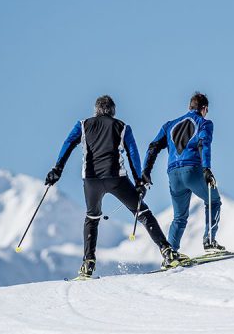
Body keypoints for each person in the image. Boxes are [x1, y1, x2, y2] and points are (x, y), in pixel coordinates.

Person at [45, 95, 181, 277]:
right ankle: (167, 251)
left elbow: (68, 143)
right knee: (142, 213)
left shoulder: (83, 125)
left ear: (96, 110)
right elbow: (133, 153)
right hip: (116, 178)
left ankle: (88, 264)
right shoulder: (122, 127)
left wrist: (57, 169)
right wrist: (139, 181)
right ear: (113, 111)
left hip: (91, 180)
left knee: (92, 219)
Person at [142, 92, 224, 254]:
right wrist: (206, 169)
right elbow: (203, 144)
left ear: (189, 107)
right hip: (192, 170)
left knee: (179, 217)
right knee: (214, 201)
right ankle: (209, 240)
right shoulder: (204, 123)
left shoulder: (169, 125)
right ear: (204, 108)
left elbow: (153, 147)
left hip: (173, 174)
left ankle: (170, 253)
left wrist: (146, 172)